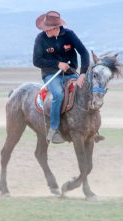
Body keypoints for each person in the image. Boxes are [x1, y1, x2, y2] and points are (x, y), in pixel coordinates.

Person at [33, 10, 89, 144]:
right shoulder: (40, 38)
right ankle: (54, 129)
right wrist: (57, 64)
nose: (46, 31)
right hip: (51, 74)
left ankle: (90, 128)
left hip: (71, 73)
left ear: (56, 28)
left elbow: (84, 53)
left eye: (48, 29)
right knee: (58, 94)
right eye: (45, 28)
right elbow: (36, 61)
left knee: (86, 91)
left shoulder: (69, 35)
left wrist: (82, 74)